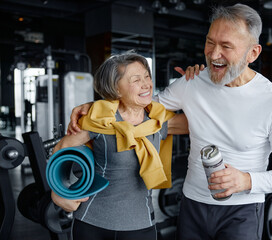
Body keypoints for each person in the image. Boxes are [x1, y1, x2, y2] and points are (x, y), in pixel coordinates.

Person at [68, 3, 272, 240]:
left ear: (253, 53)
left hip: (241, 210)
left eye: (226, 46)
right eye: (210, 42)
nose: (213, 54)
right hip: (192, 204)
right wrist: (97, 108)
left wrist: (246, 180)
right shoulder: (193, 82)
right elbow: (138, 109)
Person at [51, 52, 189, 240]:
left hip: (140, 225)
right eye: (136, 79)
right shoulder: (100, 120)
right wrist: (58, 192)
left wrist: (199, 82)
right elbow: (59, 151)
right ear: (116, 89)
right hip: (92, 222)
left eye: (147, 77)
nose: (146, 84)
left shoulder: (158, 121)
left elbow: (199, 122)